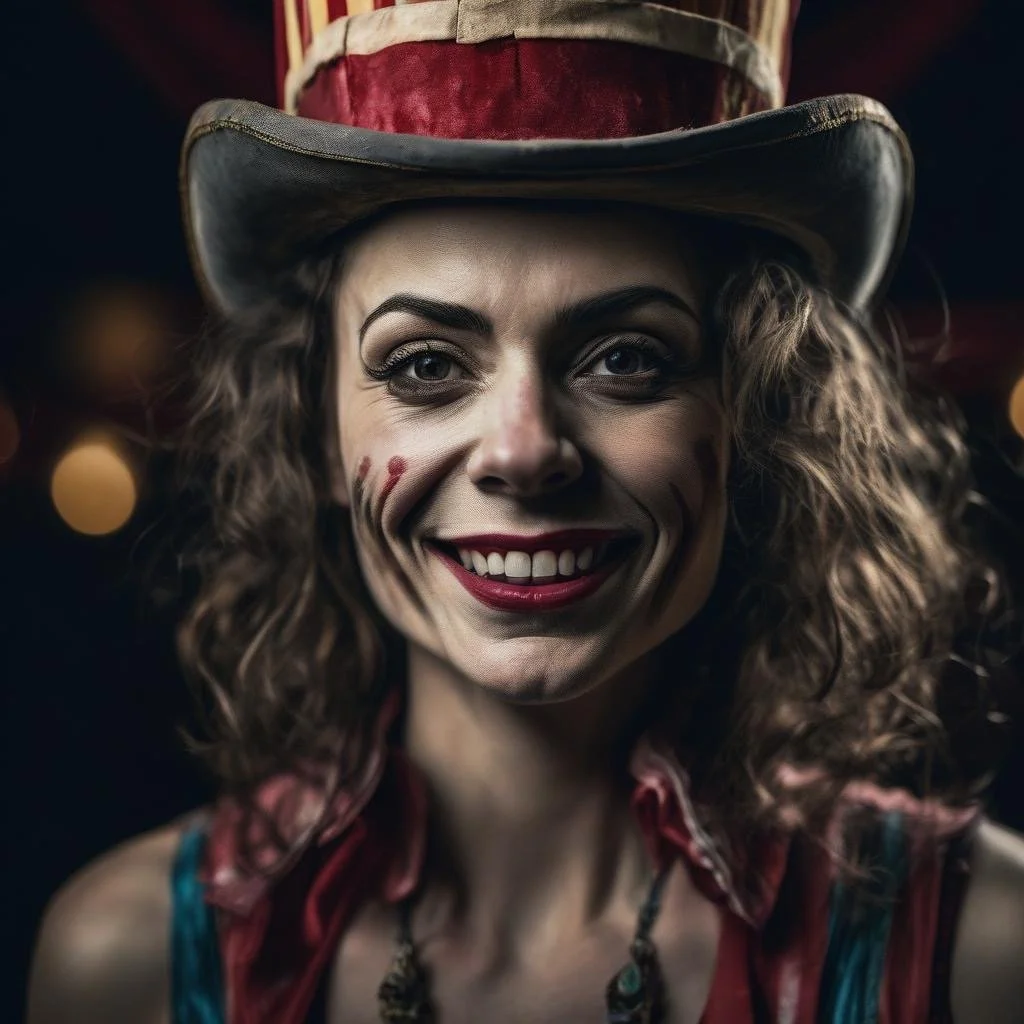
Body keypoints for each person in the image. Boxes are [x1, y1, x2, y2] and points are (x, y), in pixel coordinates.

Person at [26, 0, 1024, 1021]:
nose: (522, 451)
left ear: (756, 414)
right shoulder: (128, 961)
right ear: (315, 430)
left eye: (625, 358)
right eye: (423, 365)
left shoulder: (979, 950)